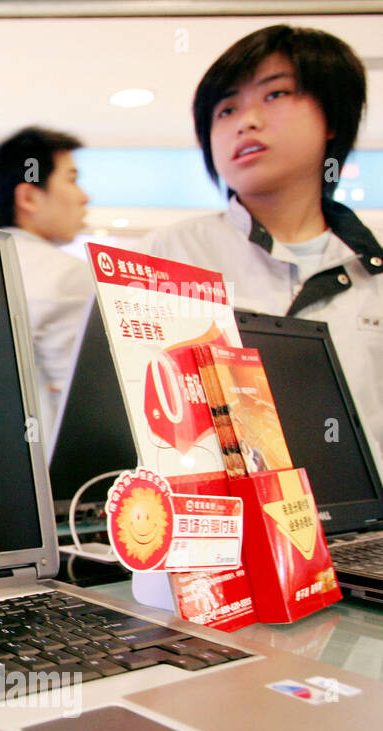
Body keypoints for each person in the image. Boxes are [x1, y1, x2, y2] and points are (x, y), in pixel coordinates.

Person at [145, 25, 383, 471]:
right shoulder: (168, 255)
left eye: (274, 95)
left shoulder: (374, 269)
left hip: (363, 531)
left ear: (332, 118)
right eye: (226, 109)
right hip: (221, 527)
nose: (246, 121)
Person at [0, 127, 93, 441]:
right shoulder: (67, 275)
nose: (85, 196)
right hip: (49, 477)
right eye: (72, 179)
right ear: (29, 197)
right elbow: (81, 407)